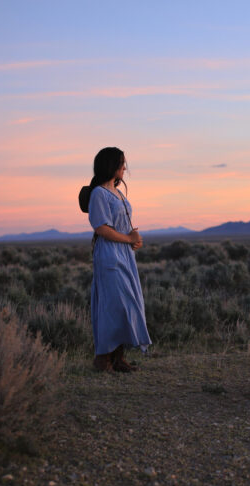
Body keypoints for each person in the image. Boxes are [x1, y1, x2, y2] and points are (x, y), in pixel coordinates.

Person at [82, 147, 152, 372]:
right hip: (109, 254)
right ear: (110, 165)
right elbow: (101, 227)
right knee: (113, 305)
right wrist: (127, 238)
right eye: (121, 163)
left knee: (127, 303)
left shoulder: (118, 194)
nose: (125, 167)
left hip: (124, 253)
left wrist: (134, 240)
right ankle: (102, 359)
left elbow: (123, 225)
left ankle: (118, 358)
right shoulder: (99, 194)